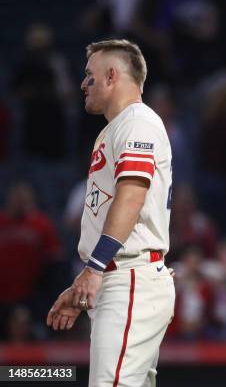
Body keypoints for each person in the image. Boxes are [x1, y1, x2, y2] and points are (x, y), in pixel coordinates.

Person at [46, 39, 175, 387]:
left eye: (90, 75)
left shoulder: (138, 121)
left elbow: (132, 196)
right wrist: (83, 283)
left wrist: (95, 268)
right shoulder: (116, 127)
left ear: (112, 75)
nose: (83, 83)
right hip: (124, 276)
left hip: (129, 278)